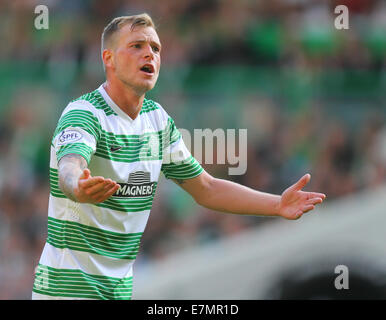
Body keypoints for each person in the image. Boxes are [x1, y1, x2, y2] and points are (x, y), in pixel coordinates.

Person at [32, 13, 326, 300]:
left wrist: (277, 204)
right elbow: (69, 165)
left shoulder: (157, 120)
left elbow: (207, 188)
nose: (149, 54)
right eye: (137, 46)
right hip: (66, 291)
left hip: (118, 291)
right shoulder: (85, 112)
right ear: (108, 58)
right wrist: (76, 187)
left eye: (155, 48)